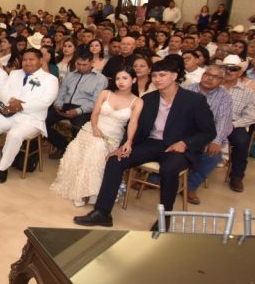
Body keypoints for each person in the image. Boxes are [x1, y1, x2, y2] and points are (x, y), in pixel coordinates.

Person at [73, 57, 216, 228]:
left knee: (169, 169)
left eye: (162, 75)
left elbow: (209, 131)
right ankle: (102, 213)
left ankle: (164, 218)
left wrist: (185, 143)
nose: (157, 79)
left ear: (174, 76)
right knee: (115, 160)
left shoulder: (194, 100)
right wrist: (124, 145)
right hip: (151, 143)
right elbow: (135, 126)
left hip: (177, 147)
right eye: (154, 75)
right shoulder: (149, 99)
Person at [51, 65, 142, 207]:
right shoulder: (105, 93)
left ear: (134, 80)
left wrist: (129, 141)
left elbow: (133, 123)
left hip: (113, 135)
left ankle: (93, 191)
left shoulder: (137, 101)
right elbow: (95, 114)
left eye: (125, 78)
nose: (120, 81)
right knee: (96, 147)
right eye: (117, 78)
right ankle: (82, 192)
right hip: (93, 129)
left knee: (98, 148)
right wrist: (95, 128)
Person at [0, 49, 59, 183]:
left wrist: (20, 106)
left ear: (40, 61)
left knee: (14, 135)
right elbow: (2, 92)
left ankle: (3, 168)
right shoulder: (15, 74)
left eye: (31, 59)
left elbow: (46, 101)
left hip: (32, 118)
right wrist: (11, 101)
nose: (27, 62)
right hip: (9, 113)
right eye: (24, 59)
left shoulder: (50, 79)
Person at [183, 65, 234, 205]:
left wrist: (216, 141)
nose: (210, 78)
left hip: (206, 135)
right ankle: (155, 178)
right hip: (182, 132)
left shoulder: (224, 97)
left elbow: (223, 121)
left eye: (216, 77)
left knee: (213, 156)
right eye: (207, 74)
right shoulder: (187, 89)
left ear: (222, 81)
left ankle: (190, 186)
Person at [45, 51, 107, 158]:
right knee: (41, 121)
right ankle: (64, 146)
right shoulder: (70, 75)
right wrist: (58, 105)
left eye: (84, 65)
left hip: (84, 109)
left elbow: (95, 102)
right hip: (64, 105)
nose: (81, 67)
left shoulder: (100, 79)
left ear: (92, 63)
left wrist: (77, 111)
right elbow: (61, 93)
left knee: (79, 129)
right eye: (78, 64)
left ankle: (73, 154)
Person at [219, 55, 255, 193]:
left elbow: (252, 117)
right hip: (210, 122)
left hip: (234, 124)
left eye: (233, 69)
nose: (228, 71)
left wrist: (232, 125)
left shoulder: (247, 92)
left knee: (242, 142)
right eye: (225, 68)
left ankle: (236, 176)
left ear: (240, 72)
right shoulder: (212, 86)